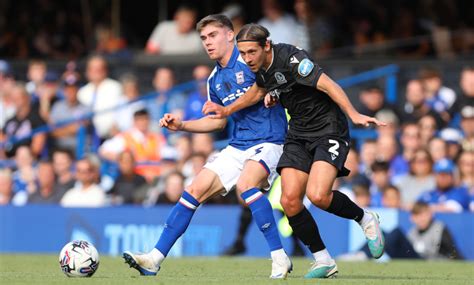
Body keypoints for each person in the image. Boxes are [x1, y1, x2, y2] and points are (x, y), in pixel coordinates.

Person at [202, 23, 386, 278]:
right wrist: (227, 109)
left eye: (251, 52)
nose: (247, 59)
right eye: (242, 54)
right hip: (298, 132)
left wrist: (353, 113)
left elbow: (328, 85)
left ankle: (365, 218)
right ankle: (323, 260)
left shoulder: (292, 58)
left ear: (267, 45)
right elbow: (258, 91)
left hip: (328, 128)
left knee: (319, 196)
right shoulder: (259, 69)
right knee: (289, 200)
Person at [123, 15, 292, 279]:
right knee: (194, 189)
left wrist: (232, 107)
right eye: (203, 38)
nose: (207, 42)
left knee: (247, 185)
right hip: (239, 145)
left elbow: (262, 91)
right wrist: (182, 126)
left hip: (270, 139)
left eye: (213, 35)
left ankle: (279, 258)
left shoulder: (250, 58)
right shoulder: (214, 79)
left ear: (229, 35)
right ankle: (154, 259)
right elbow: (217, 123)